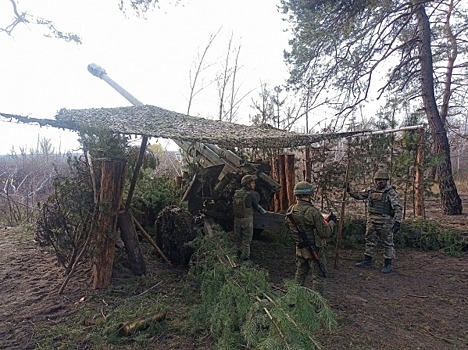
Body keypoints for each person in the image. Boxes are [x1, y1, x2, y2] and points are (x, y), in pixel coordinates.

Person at [347, 170, 402, 273]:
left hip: (385, 222)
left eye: (382, 180)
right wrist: (349, 190)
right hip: (372, 221)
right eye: (378, 180)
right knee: (370, 240)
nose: (380, 182)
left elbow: (397, 208)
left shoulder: (390, 192)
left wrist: (398, 222)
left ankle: (388, 264)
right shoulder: (371, 190)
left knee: (387, 243)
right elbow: (359, 195)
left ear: (386, 180)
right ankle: (367, 260)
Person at [285, 181, 336, 292]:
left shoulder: (291, 209)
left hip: (300, 248)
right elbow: (325, 233)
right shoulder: (312, 212)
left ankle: (293, 299)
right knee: (318, 277)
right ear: (309, 194)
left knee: (300, 274)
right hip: (314, 250)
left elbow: (289, 226)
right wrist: (332, 222)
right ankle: (317, 306)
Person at [233, 174, 266, 261]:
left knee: (237, 239)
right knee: (246, 241)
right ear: (247, 184)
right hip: (247, 220)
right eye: (252, 183)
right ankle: (245, 258)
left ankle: (236, 256)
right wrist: (264, 212)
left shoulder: (236, 193)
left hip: (237, 220)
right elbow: (256, 206)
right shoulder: (251, 195)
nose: (254, 184)